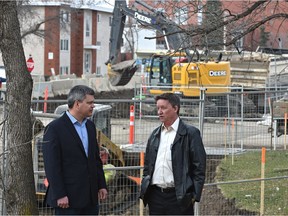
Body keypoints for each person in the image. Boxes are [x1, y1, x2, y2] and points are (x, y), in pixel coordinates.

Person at [42, 85, 108, 215]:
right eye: (89, 102)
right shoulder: (54, 129)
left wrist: (101, 185)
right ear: (77, 104)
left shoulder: (90, 126)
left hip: (90, 199)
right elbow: (52, 165)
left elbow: (95, 160)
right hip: (67, 200)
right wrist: (60, 194)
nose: (93, 106)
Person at [140, 93, 206, 215]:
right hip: (156, 197)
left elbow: (199, 167)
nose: (159, 112)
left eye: (163, 108)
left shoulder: (190, 133)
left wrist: (193, 196)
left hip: (179, 197)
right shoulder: (155, 135)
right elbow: (148, 166)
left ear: (175, 108)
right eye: (158, 108)